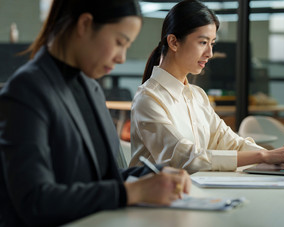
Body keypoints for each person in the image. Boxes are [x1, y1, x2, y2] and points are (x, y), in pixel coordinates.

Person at [0, 0, 191, 226]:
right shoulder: (26, 90)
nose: (122, 58)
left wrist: (154, 175)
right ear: (85, 24)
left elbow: (101, 179)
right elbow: (36, 200)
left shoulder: (91, 88)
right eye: (120, 42)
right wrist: (132, 192)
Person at [129, 0, 284, 174]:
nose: (210, 53)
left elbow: (230, 143)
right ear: (173, 42)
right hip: (156, 197)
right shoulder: (148, 99)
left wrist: (279, 156)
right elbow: (185, 159)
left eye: (212, 43)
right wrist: (262, 156)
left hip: (196, 191)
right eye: (203, 42)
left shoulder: (197, 96)